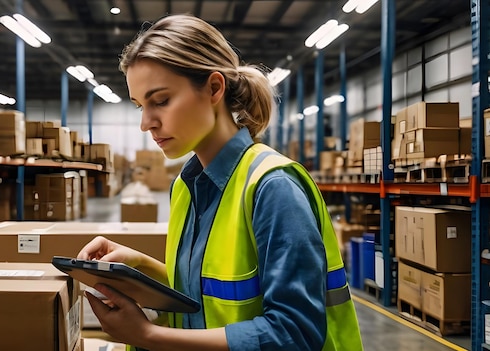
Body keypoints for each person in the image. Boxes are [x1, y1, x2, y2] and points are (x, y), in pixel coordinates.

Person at [77, 13, 363, 351]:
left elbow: (294, 334)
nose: (146, 123)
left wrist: (148, 336)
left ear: (214, 88)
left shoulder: (272, 187)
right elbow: (210, 294)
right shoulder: (186, 186)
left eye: (161, 100)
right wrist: (140, 265)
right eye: (140, 105)